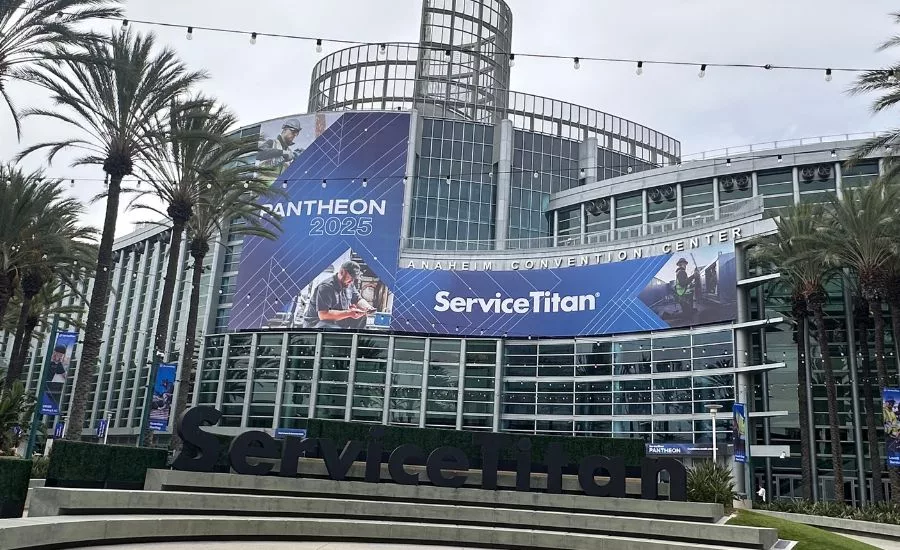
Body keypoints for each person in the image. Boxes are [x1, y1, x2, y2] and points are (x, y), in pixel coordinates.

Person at [302, 260, 374, 329]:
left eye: (353, 279)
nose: (351, 281)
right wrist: (349, 313)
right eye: (349, 277)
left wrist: (367, 307)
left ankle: (357, 340)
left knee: (361, 317)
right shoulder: (326, 287)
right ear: (342, 272)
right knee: (328, 327)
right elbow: (323, 315)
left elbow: (357, 299)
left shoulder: (350, 284)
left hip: (337, 320)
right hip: (317, 322)